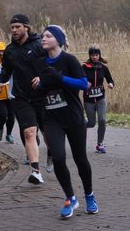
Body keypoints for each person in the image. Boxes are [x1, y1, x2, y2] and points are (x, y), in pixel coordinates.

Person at [32, 25, 98, 218]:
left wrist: (60, 78)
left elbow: (83, 84)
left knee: (80, 159)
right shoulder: (39, 62)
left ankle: (89, 195)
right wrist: (38, 85)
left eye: (48, 35)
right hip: (51, 117)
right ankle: (70, 198)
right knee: (58, 157)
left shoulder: (69, 60)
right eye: (42, 36)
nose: (43, 38)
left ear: (58, 40)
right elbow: (37, 86)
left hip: (73, 117)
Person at [0, 14, 51, 184]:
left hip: (42, 97)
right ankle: (36, 171)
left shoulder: (39, 45)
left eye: (17, 27)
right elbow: (6, 71)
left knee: (47, 132)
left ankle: (52, 152)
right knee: (29, 132)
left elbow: (51, 66)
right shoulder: (10, 51)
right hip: (21, 97)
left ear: (26, 27)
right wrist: (0, 82)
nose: (14, 30)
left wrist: (42, 77)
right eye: (12, 27)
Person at [82, 46, 114, 153]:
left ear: (99, 55)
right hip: (89, 100)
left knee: (102, 120)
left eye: (96, 55)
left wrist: (110, 84)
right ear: (90, 56)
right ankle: (79, 125)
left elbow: (110, 80)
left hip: (100, 99)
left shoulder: (103, 68)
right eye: (92, 55)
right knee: (91, 123)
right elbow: (79, 80)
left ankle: (100, 144)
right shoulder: (84, 67)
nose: (95, 57)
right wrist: (84, 84)